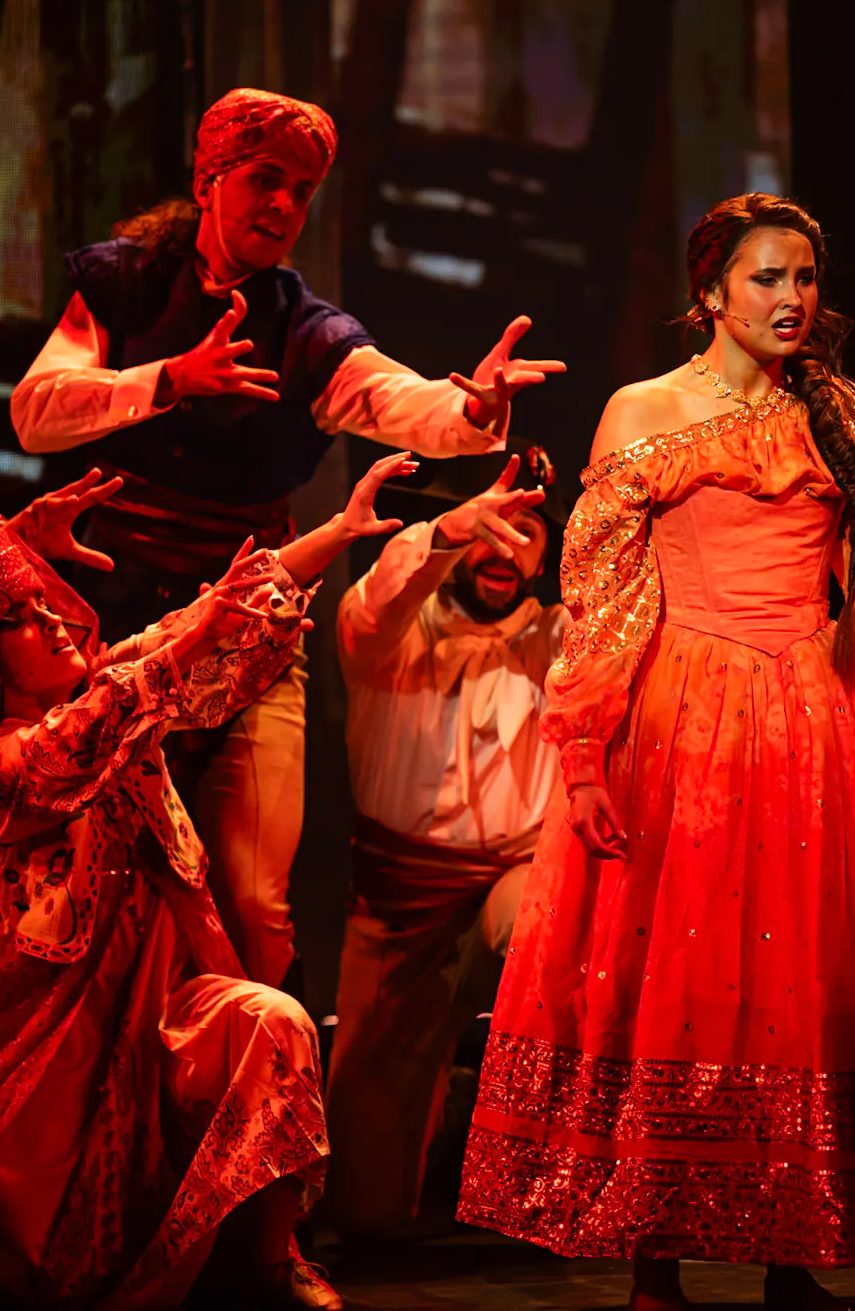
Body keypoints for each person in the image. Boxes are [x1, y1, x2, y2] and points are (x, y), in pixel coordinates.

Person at [456, 193, 855, 1311]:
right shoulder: (643, 413)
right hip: (682, 714)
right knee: (677, 978)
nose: (790, 299)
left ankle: (787, 1246)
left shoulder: (842, 415)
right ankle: (653, 1254)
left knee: (794, 978)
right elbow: (603, 595)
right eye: (764, 278)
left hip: (816, 715)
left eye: (802, 278)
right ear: (708, 292)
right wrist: (579, 752)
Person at [0, 452, 425, 1311]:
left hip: (167, 995)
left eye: (49, 605)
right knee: (37, 1233)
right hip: (54, 1028)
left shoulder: (113, 687)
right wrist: (170, 643)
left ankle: (268, 1259)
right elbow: (100, 725)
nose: (59, 623)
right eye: (24, 620)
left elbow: (204, 622)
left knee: (275, 1021)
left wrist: (336, 530)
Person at [10, 87, 565, 988]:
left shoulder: (306, 332)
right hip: (101, 626)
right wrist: (167, 379)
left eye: (301, 191)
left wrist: (474, 406)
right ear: (209, 179)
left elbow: (398, 399)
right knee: (81, 892)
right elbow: (36, 412)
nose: (282, 206)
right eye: (265, 180)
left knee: (252, 902)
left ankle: (258, 1111)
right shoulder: (122, 282)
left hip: (243, 633)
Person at [323, 442, 570, 1238]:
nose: (506, 548)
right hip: (400, 900)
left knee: (555, 935)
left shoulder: (562, 638)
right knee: (364, 1200)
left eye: (527, 530)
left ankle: (543, 1190)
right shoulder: (386, 630)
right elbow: (379, 600)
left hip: (514, 876)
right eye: (490, 526)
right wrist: (440, 535)